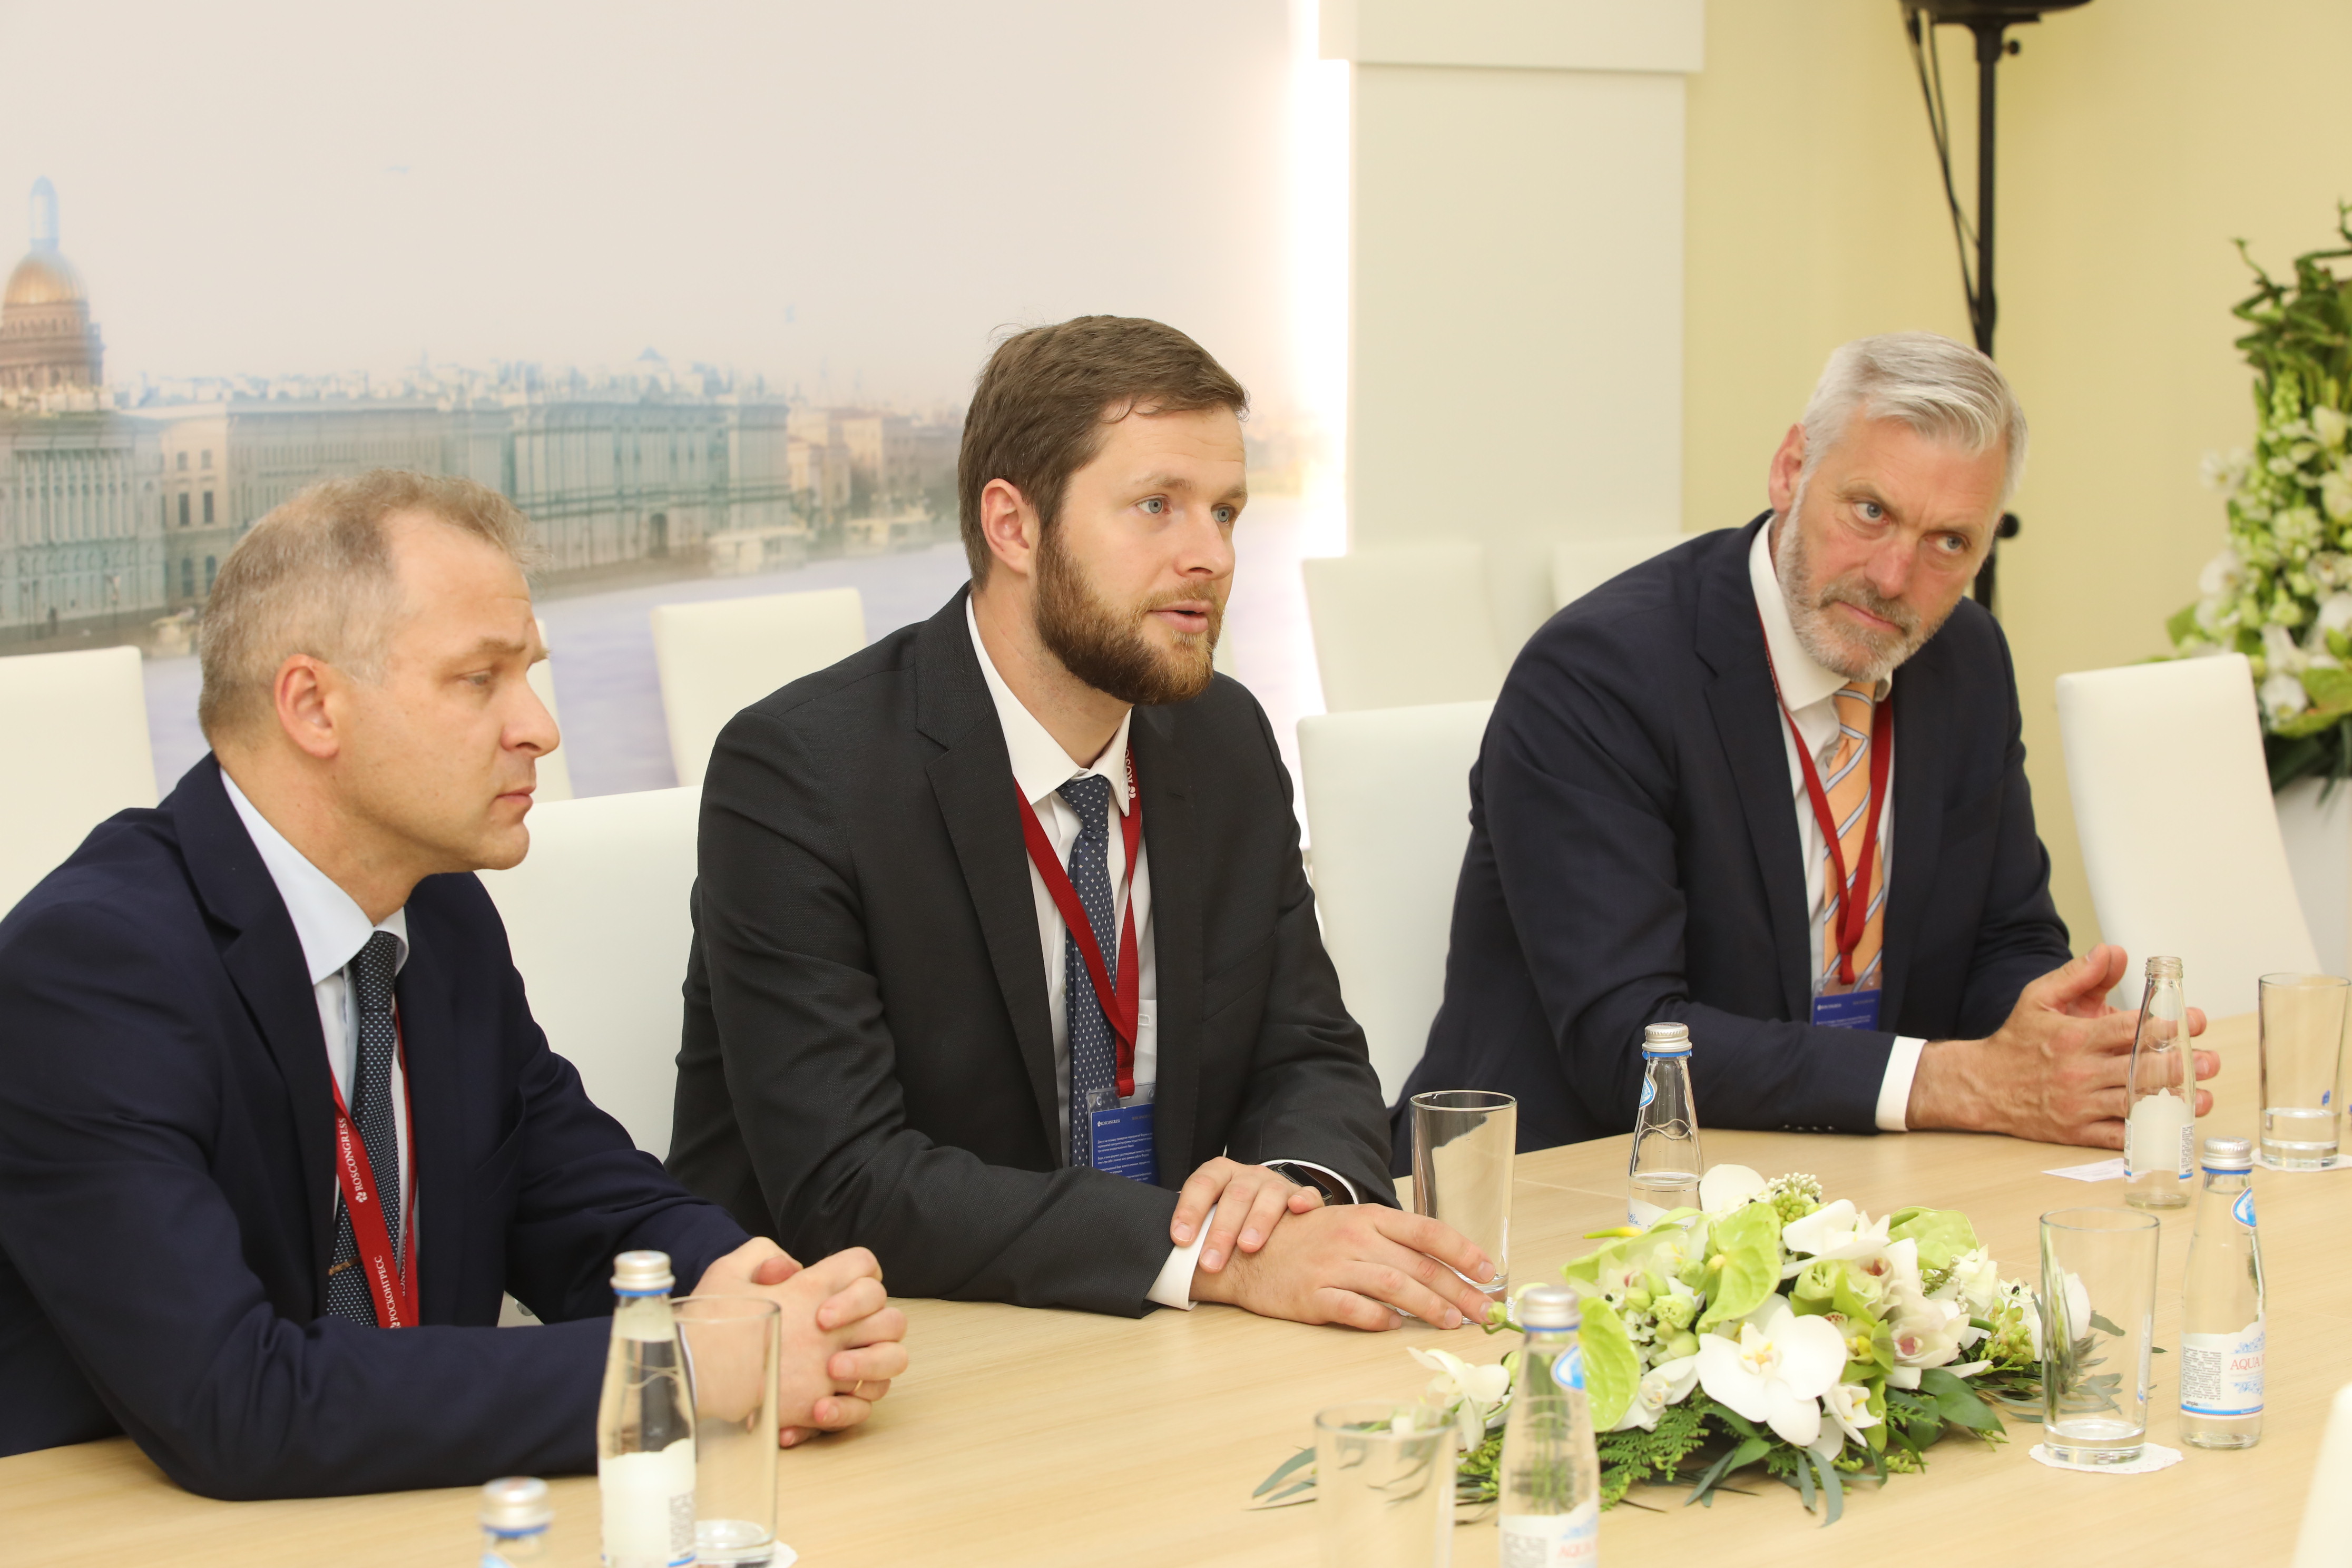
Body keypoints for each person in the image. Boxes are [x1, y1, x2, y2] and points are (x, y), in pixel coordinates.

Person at [0, 472, 908, 1497]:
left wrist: (752, 1294)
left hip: (423, 1512)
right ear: (313, 706)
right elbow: (233, 1400)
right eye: (481, 680)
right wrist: (686, 1370)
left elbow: (580, 1201)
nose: (540, 728)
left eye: (530, 675)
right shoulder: (88, 971)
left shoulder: (438, 913)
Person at [668, 315, 1495, 1329]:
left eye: (1226, 512)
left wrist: (1284, 1194)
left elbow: (1309, 1054)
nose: (1212, 555)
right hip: (878, 1348)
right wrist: (1202, 1259)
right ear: (1014, 527)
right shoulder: (803, 773)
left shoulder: (1222, 738)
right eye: (1157, 506)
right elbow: (846, 1182)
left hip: (1158, 1339)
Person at [1398, 332, 2214, 1153]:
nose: (1893, 579)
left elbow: (2005, 938)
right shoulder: (1601, 674)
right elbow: (1629, 1045)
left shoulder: (1966, 658)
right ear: (1791, 469)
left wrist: (2053, 1044)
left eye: (1949, 543)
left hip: (1841, 1168)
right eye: (1871, 512)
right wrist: (1952, 1081)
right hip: (1564, 1179)